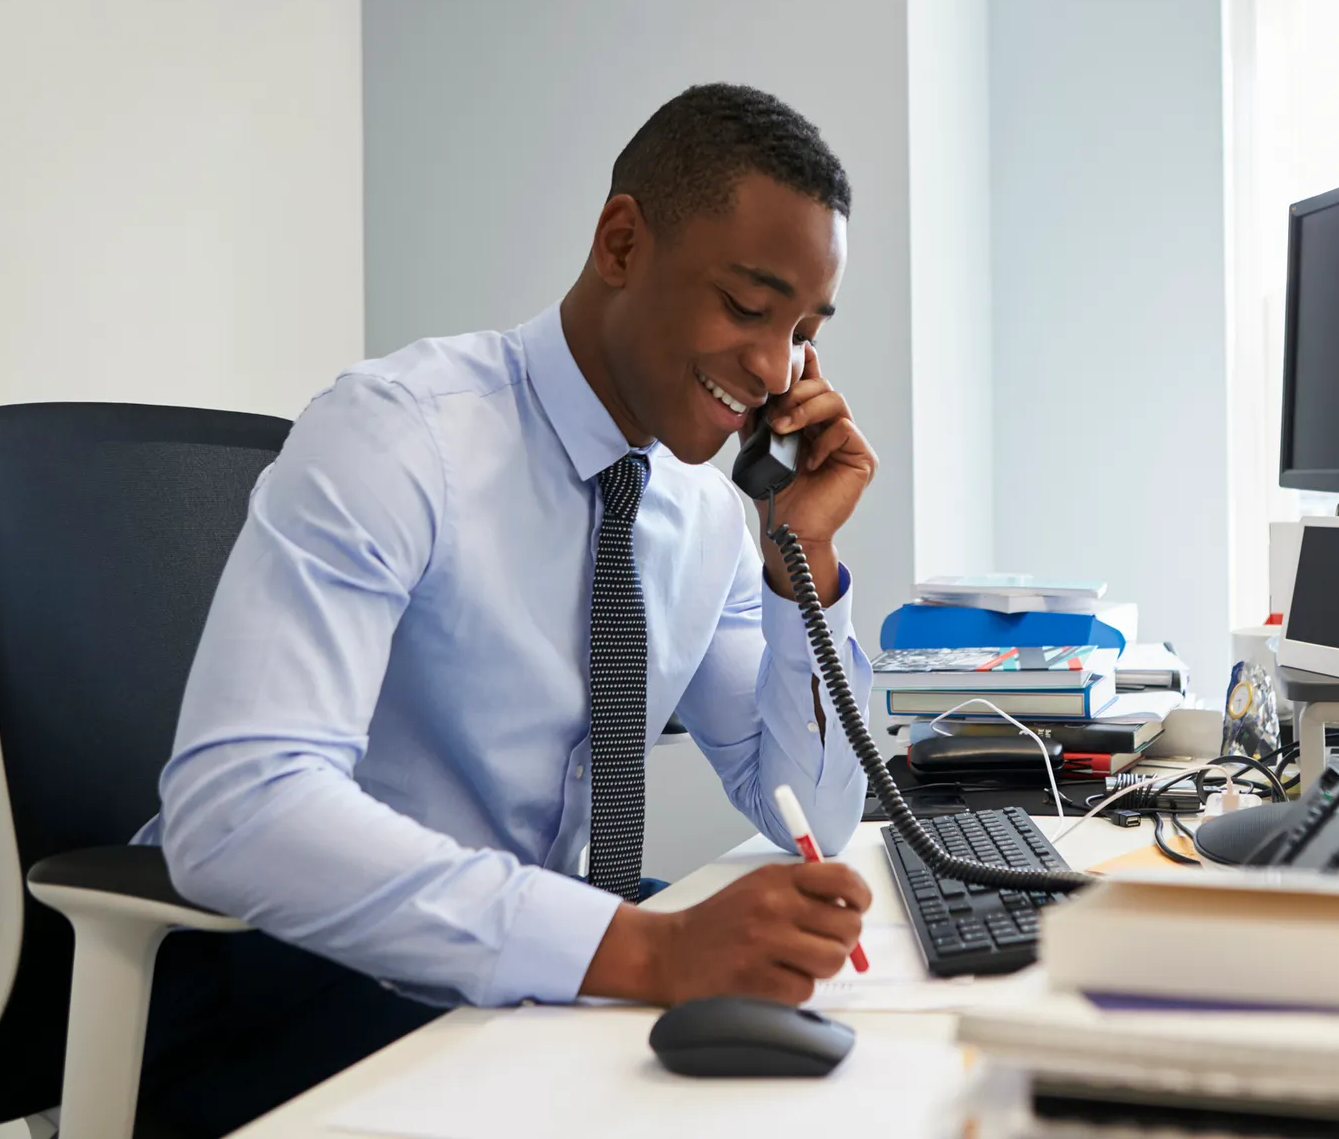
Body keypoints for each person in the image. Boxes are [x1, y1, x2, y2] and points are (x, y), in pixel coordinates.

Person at [132, 84, 877, 1134]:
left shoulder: (702, 512)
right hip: (283, 982)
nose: (772, 369)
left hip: (498, 978)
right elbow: (237, 807)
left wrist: (806, 562)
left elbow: (810, 810)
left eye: (802, 331)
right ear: (621, 242)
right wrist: (649, 950)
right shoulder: (401, 436)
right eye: (749, 308)